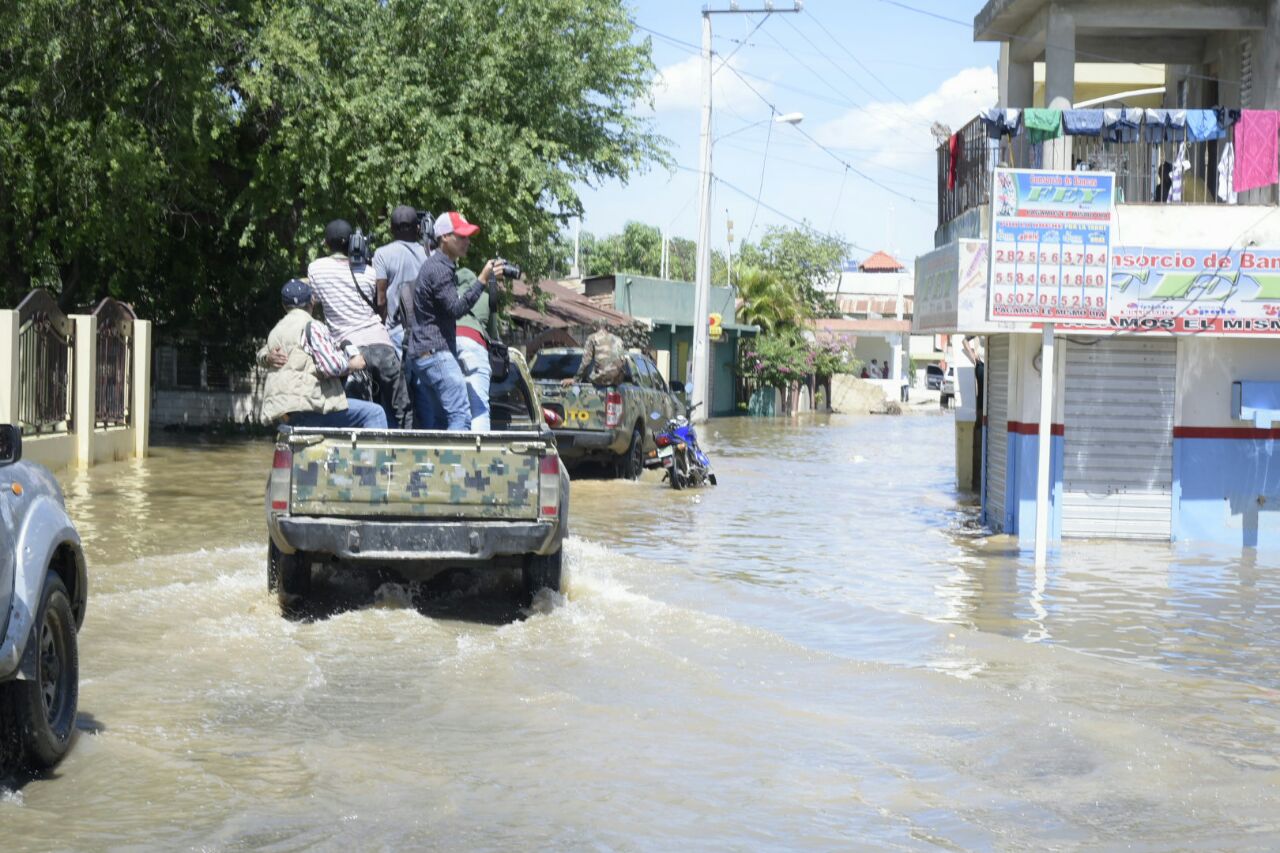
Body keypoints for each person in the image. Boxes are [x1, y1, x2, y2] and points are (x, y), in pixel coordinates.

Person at [307, 219, 412, 428]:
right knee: (401, 409)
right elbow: (378, 303)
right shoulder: (370, 271)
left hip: (351, 351)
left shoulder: (316, 268)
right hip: (383, 346)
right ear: (355, 243)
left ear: (327, 244)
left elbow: (315, 300)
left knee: (358, 413)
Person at [407, 211, 504, 430]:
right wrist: (482, 280)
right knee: (461, 416)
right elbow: (456, 309)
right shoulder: (440, 269)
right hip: (436, 353)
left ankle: (441, 464)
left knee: (443, 421)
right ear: (444, 237)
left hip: (424, 353)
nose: (467, 242)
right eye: (461, 237)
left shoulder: (437, 265)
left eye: (468, 237)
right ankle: (457, 466)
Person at [257, 279, 388, 429]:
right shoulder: (312, 326)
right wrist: (354, 364)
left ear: (284, 305)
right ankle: (373, 454)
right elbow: (331, 367)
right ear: (311, 302)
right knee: (375, 413)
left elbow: (263, 354)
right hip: (310, 407)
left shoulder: (275, 332)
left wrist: (266, 358)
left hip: (284, 412)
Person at [372, 205, 427, 353]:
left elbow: (381, 299)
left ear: (391, 229)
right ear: (417, 228)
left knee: (400, 376)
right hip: (425, 331)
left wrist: (382, 329)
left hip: (397, 330)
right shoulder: (429, 253)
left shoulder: (382, 254)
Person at [455, 264, 497, 430]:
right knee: (479, 409)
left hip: (449, 348)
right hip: (475, 344)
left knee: (453, 409)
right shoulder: (486, 298)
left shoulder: (449, 296)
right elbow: (493, 333)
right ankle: (478, 455)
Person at [562, 321, 627, 387]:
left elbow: (586, 362)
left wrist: (576, 379)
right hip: (617, 380)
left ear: (594, 328)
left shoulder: (592, 338)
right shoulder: (618, 339)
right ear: (608, 328)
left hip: (600, 379)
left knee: (590, 373)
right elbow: (623, 360)